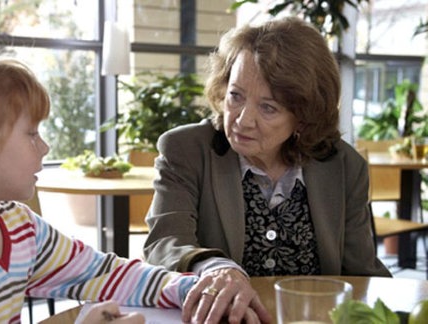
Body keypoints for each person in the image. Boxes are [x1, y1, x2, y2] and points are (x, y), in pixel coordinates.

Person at [0, 45, 223, 324]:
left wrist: (193, 288)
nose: (44, 147)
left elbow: (103, 272)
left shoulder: (17, 226)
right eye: (32, 133)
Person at [143, 16, 392, 323]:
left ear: (304, 116)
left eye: (268, 107)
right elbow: (164, 243)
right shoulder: (187, 149)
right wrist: (213, 267)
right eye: (236, 96)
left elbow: (362, 275)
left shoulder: (343, 166)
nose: (243, 120)